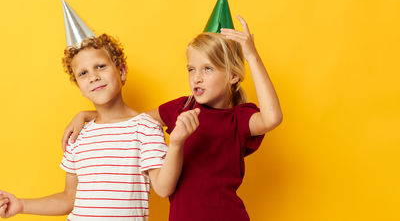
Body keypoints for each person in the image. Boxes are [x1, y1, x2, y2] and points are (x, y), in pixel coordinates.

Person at [61, 15, 282, 221]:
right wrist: (87, 114)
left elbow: (272, 118)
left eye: (207, 69)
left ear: (233, 76)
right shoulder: (181, 108)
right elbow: (129, 120)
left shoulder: (239, 119)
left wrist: (251, 55)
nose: (197, 78)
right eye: (191, 69)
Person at [0, 34, 199, 220]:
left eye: (100, 66)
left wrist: (175, 145)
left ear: (121, 71)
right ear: (79, 86)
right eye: (83, 73)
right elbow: (69, 198)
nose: (93, 77)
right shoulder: (78, 136)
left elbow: (163, 189)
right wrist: (21, 205)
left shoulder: (146, 128)